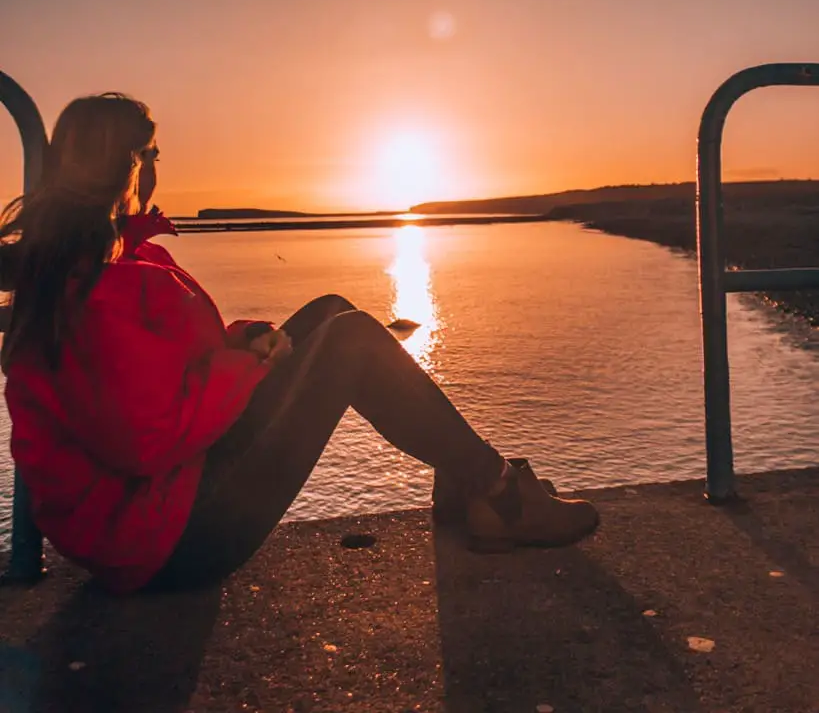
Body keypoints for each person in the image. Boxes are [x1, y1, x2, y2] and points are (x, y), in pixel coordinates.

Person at [0, 93, 598, 594]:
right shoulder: (90, 287)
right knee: (354, 342)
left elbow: (163, 373)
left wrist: (247, 341)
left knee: (332, 314)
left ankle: (471, 481)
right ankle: (498, 494)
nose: (159, 168)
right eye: (151, 155)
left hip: (166, 502)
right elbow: (147, 439)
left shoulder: (114, 257)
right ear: (127, 165)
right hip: (161, 541)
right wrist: (246, 368)